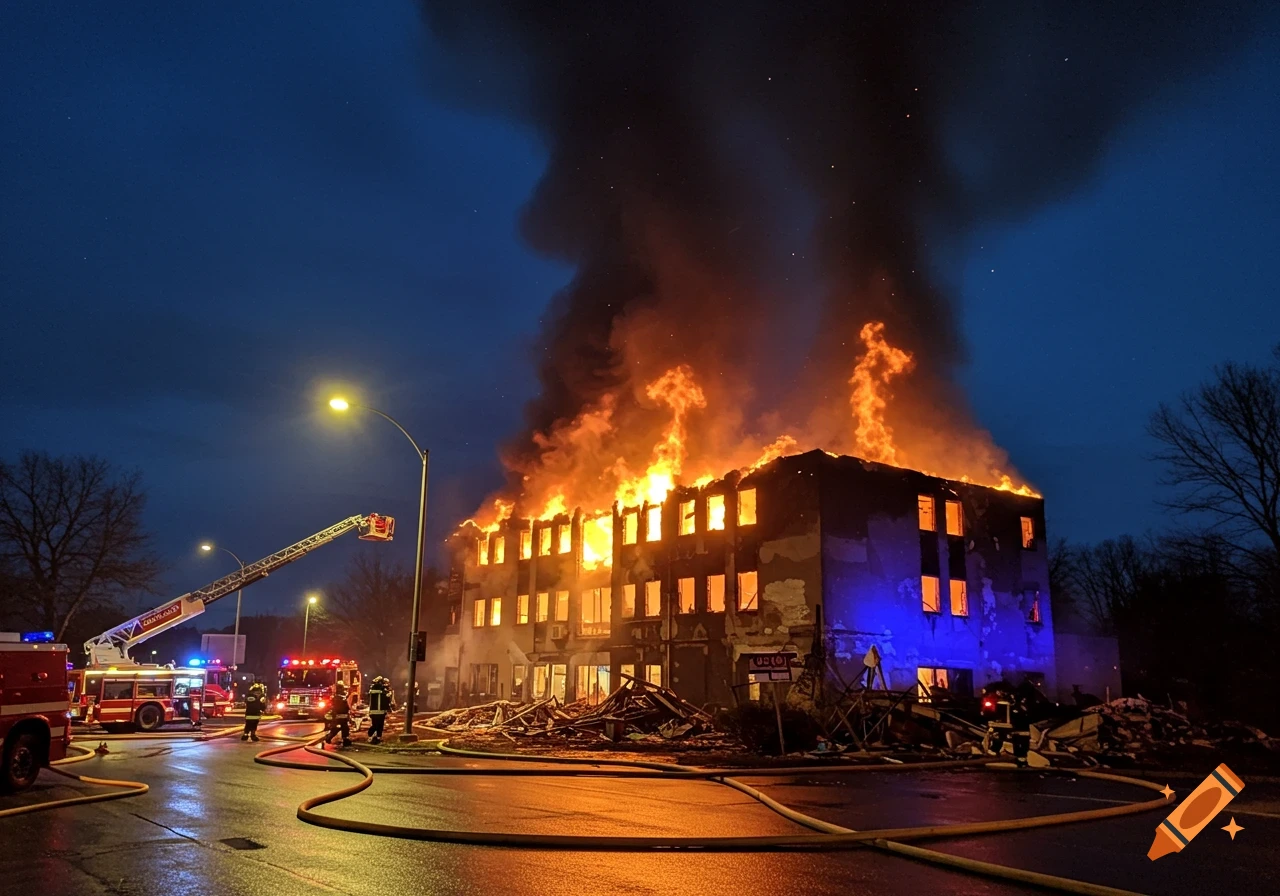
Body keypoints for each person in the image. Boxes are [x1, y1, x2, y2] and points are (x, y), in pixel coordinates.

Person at [366, 676, 396, 745]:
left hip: (373, 711)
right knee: (380, 725)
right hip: (381, 712)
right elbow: (387, 701)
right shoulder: (383, 692)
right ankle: (377, 737)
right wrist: (389, 709)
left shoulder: (372, 691)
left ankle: (371, 736)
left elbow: (368, 700)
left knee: (374, 725)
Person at [323, 682, 351, 748]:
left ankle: (344, 740)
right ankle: (327, 739)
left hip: (341, 717)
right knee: (337, 729)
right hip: (339, 717)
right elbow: (343, 707)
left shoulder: (339, 697)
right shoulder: (338, 698)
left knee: (344, 729)